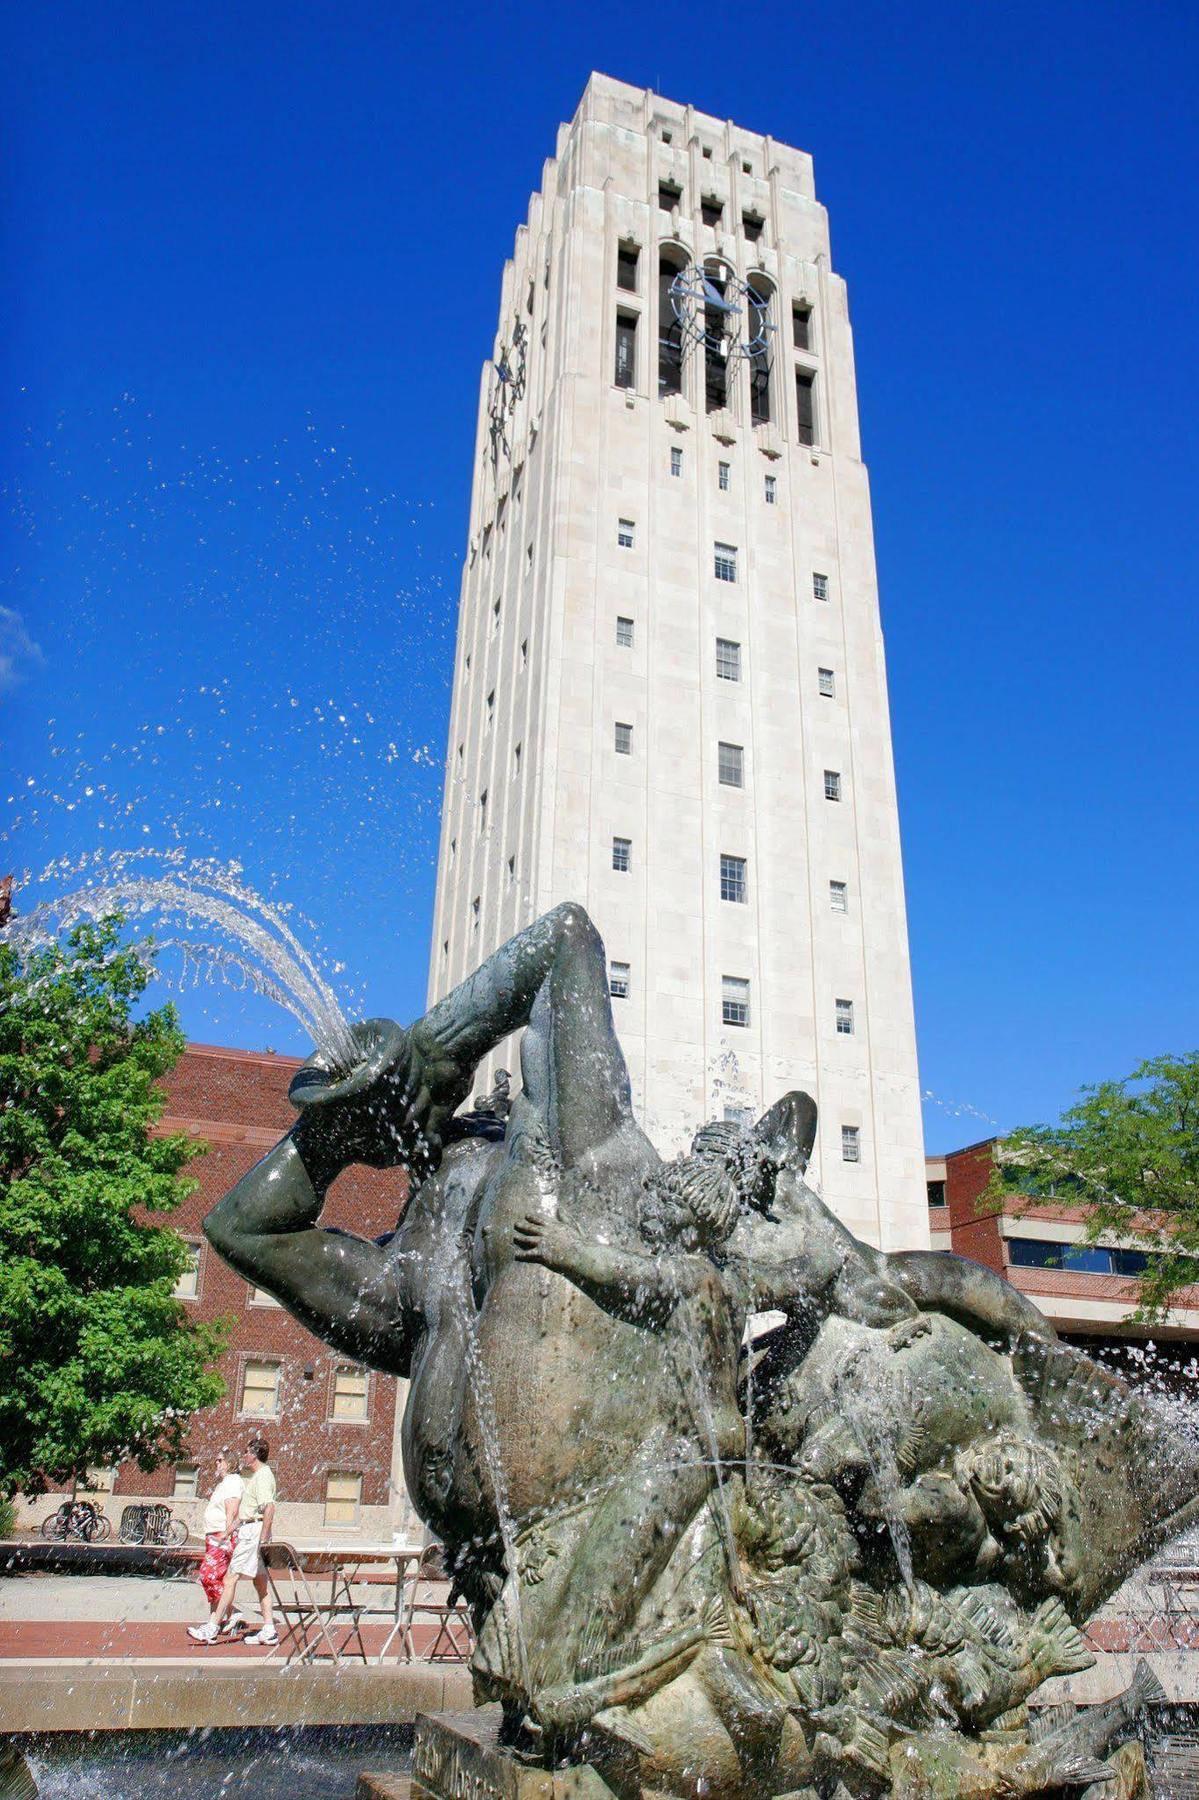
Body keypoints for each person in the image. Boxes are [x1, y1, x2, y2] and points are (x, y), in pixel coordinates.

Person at [190, 1439, 278, 1647]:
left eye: (247, 1453)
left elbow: (269, 1508)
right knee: (260, 1583)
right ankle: (269, 1629)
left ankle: (212, 1627)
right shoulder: (255, 1477)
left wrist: (263, 1539)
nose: (244, 1456)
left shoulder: (264, 1476)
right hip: (248, 1528)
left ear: (255, 1455)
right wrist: (226, 1533)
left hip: (253, 1533)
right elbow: (243, 1514)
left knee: (230, 1579)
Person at [188, 1451, 242, 1644]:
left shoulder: (234, 1481)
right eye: (216, 1460)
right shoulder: (224, 1483)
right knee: (215, 1578)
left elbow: (232, 1509)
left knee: (208, 1575)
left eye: (220, 1460)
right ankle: (214, 1623)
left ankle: (231, 1613)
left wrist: (227, 1535)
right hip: (214, 1535)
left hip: (221, 1535)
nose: (217, 1463)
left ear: (230, 1463)